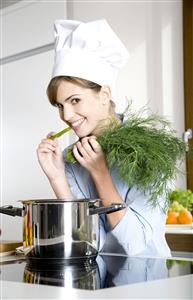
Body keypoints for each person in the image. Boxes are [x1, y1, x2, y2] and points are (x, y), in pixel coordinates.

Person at [37, 19, 171, 257]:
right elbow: (86, 244)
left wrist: (100, 173)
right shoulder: (72, 158)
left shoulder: (151, 151)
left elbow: (135, 247)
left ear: (105, 94)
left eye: (74, 100)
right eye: (59, 105)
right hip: (95, 284)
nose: (66, 116)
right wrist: (57, 177)